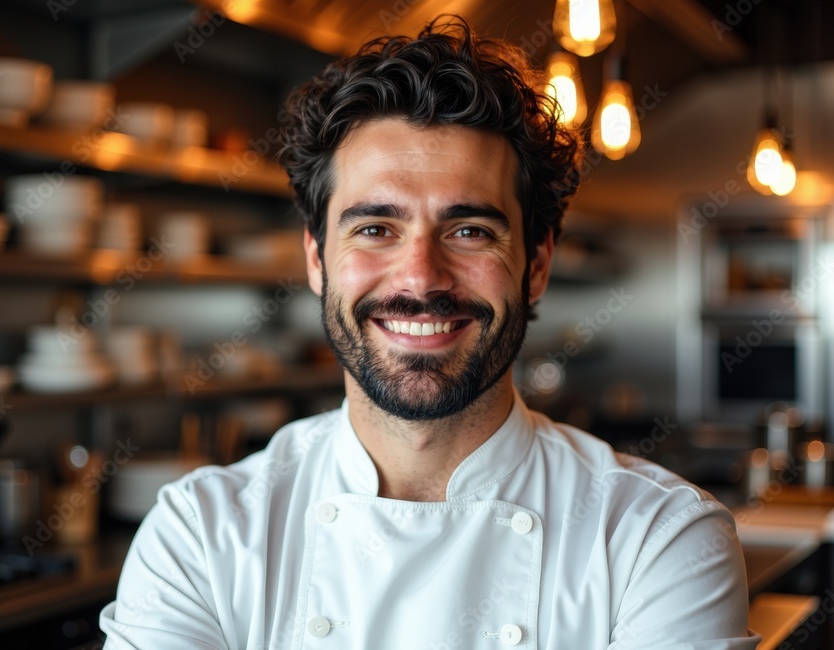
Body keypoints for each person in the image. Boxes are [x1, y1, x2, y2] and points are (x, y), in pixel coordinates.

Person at [100, 16, 757, 649]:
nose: (420, 277)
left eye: (469, 230)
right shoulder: (201, 534)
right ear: (317, 260)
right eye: (375, 228)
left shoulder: (655, 538)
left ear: (536, 265)